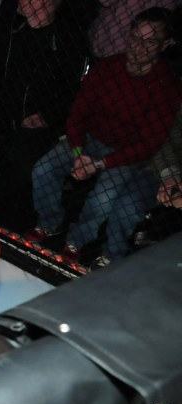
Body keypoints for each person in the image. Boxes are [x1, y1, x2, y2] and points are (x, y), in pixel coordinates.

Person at [28, 8, 181, 267]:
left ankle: (77, 242)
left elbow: (149, 144)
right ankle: (49, 223)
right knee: (43, 169)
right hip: (89, 141)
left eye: (150, 41)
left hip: (125, 155)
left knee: (103, 198)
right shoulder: (108, 67)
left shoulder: (167, 86)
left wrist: (100, 164)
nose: (139, 46)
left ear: (164, 45)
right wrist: (78, 153)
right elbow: (77, 114)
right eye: (136, 37)